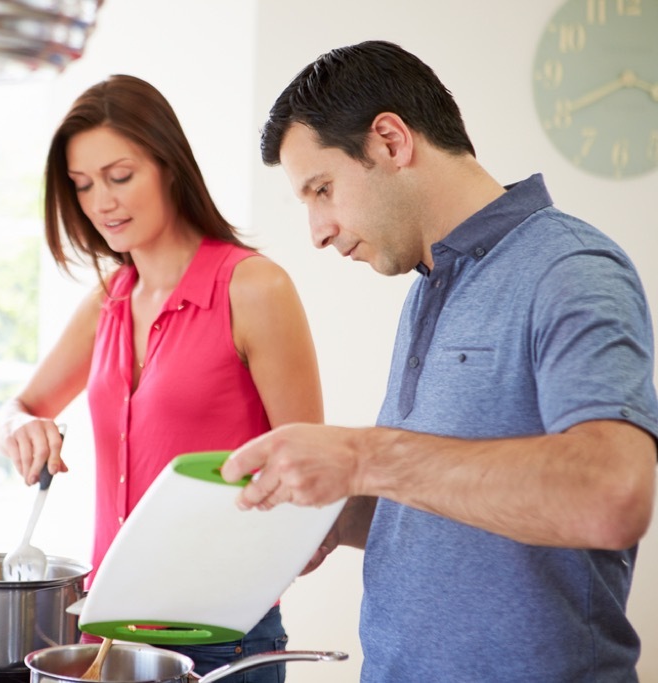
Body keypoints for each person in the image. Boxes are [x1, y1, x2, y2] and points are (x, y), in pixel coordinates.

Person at [221, 40, 658, 681]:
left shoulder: (571, 269)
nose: (317, 230)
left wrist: (362, 457)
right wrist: (333, 512)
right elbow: (453, 499)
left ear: (391, 141)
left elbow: (612, 496)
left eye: (322, 189)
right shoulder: (429, 284)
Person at [0, 74, 323, 682]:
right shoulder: (108, 301)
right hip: (107, 633)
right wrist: (19, 425)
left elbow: (311, 474)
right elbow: (17, 405)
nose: (101, 202)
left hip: (222, 638)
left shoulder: (253, 289)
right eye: (83, 185)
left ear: (169, 167)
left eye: (120, 176)